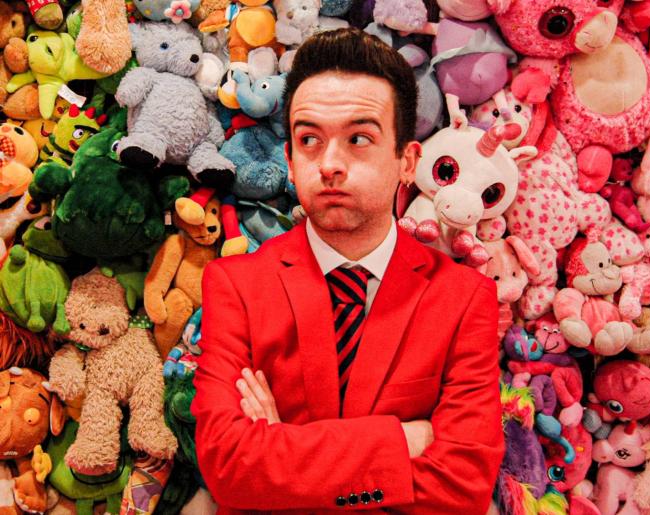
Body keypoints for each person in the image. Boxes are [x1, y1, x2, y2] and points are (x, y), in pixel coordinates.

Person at [192, 27, 504, 514]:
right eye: (309, 139)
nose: (330, 163)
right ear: (290, 162)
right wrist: (404, 441)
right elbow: (230, 469)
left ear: (407, 160)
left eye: (359, 138)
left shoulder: (464, 300)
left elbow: (462, 489)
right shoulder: (236, 286)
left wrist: (284, 456)